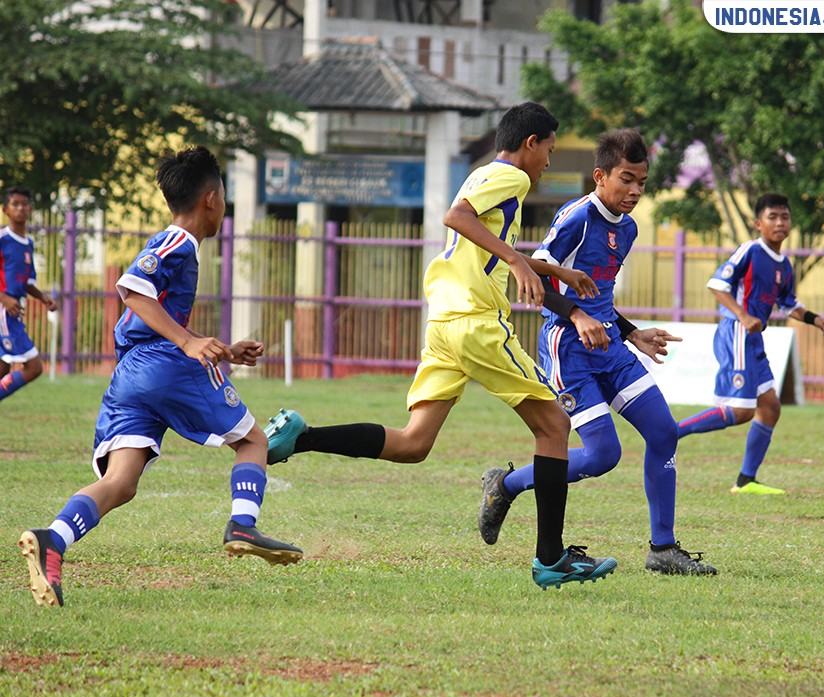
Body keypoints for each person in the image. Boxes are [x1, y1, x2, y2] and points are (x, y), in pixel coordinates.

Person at [264, 102, 617, 590]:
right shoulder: (512, 178)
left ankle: (302, 436)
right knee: (555, 425)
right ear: (531, 142)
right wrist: (517, 262)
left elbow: (477, 239)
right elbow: (457, 217)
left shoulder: (482, 173)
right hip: (476, 322)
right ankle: (551, 558)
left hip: (444, 321)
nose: (549, 163)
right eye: (550, 151)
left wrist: (552, 270)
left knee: (413, 444)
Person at [18, 146, 302, 608]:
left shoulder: (181, 246)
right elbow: (133, 291)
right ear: (211, 199)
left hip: (132, 375)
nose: (224, 206)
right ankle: (243, 525)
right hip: (162, 365)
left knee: (121, 483)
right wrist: (189, 345)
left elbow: (156, 313)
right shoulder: (176, 242)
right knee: (253, 441)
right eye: (225, 197)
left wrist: (223, 349)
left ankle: (53, 540)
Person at [477, 128, 716, 576]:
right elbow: (533, 277)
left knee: (664, 433)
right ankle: (506, 484)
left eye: (642, 182)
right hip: (567, 348)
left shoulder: (627, 229)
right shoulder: (577, 218)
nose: (635, 191)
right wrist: (577, 317)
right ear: (600, 176)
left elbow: (599, 295)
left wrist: (631, 332)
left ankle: (662, 549)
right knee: (604, 455)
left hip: (610, 346)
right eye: (626, 179)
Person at [676, 193, 824, 495]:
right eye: (772, 217)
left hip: (755, 339)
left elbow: (788, 304)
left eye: (784, 217)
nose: (779, 222)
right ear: (758, 223)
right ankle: (672, 432)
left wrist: (814, 318)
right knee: (742, 410)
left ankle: (746, 480)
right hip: (736, 332)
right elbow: (717, 285)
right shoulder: (750, 250)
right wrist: (743, 315)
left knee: (770, 407)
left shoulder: (784, 265)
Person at [0, 186, 59, 402]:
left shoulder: (28, 244)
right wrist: (4, 298)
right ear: (6, 210)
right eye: (15, 204)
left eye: (24, 204)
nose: (20, 208)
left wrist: (43, 297)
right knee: (34, 367)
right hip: (4, 311)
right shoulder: (3, 239)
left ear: (31, 208)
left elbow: (26, 281)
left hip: (14, 310)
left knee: (3, 367)